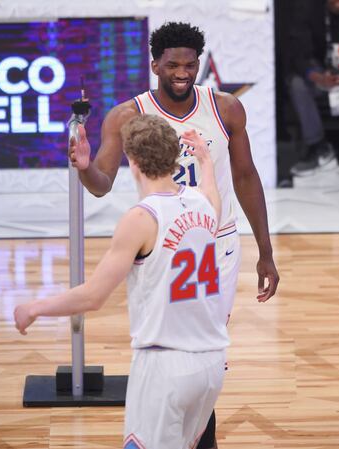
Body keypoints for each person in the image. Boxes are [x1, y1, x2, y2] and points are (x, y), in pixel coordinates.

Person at [69, 22, 280, 449]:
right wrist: (84, 165)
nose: (183, 72)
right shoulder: (128, 114)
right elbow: (102, 183)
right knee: (167, 345)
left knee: (206, 350)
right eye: (173, 65)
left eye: (190, 64)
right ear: (154, 66)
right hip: (160, 243)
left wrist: (266, 252)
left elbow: (245, 176)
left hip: (215, 242)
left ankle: (200, 438)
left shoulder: (225, 108)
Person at [15, 114, 230, 449]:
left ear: (133, 160)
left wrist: (35, 307)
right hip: (212, 363)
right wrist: (204, 159)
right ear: (174, 157)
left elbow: (93, 296)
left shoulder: (142, 218)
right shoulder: (203, 204)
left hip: (166, 364)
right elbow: (212, 193)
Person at [288, 0, 339, 176]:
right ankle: (319, 148)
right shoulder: (310, 11)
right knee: (297, 84)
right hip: (323, 77)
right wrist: (319, 77)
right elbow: (298, 55)